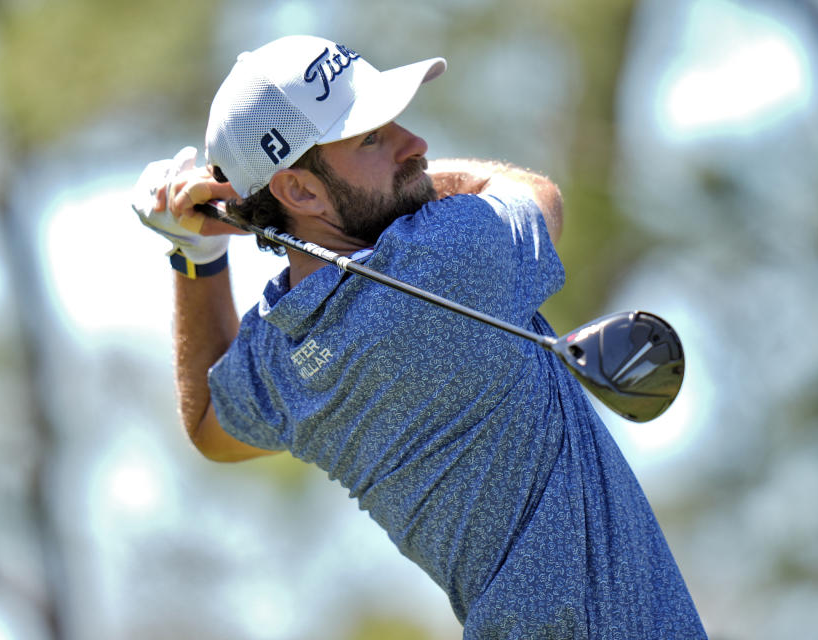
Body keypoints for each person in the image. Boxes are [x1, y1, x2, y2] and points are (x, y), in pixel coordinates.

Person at [131, 35, 707, 639]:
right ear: (300, 190)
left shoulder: (285, 355)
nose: (417, 145)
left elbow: (209, 427)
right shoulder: (449, 254)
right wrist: (418, 185)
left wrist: (196, 254)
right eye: (373, 138)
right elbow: (542, 199)